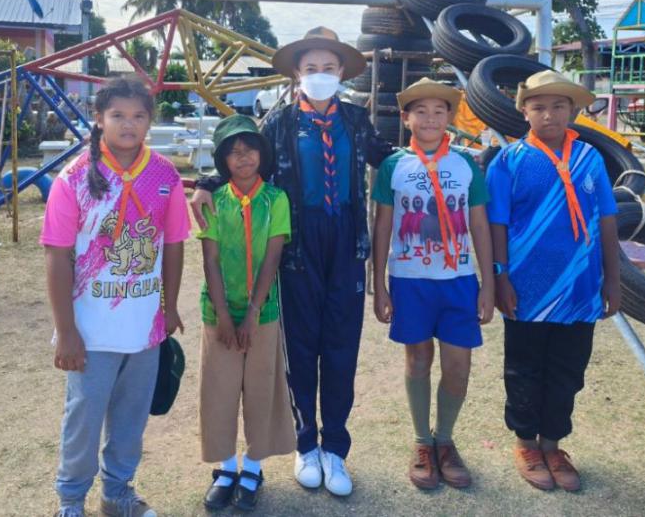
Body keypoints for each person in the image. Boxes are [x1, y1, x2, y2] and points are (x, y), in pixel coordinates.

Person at [192, 27, 395, 496]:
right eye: (311, 68)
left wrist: (438, 157)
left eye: (329, 68)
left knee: (341, 348)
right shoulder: (280, 123)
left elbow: (387, 158)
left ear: (341, 73)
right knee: (301, 348)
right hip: (299, 245)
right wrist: (205, 183)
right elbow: (244, 159)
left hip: (345, 243)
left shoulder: (355, 119)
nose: (320, 75)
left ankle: (336, 449)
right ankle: (306, 444)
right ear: (297, 74)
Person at [41, 75, 190, 517]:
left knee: (131, 418)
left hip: (143, 329)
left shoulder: (165, 175)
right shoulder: (73, 178)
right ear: (99, 119)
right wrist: (67, 331)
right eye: (118, 115)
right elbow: (56, 255)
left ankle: (118, 493)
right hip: (91, 332)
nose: (129, 124)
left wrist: (168, 307)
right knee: (84, 419)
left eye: (139, 116)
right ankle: (71, 500)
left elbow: (175, 243)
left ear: (150, 121)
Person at [485, 70, 621, 492]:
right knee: (524, 368)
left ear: (573, 111)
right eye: (539, 107)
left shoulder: (590, 158)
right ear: (524, 112)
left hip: (580, 287)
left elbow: (607, 219)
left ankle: (553, 445)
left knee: (568, 369)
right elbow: (496, 224)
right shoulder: (507, 161)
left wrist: (613, 280)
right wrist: (500, 277)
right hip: (528, 288)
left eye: (559, 106)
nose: (549, 115)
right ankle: (527, 444)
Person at [371, 78, 495, 490]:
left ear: (449, 118)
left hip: (459, 281)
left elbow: (479, 224)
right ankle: (423, 442)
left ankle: (446, 439)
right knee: (418, 360)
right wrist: (379, 284)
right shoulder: (393, 166)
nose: (430, 119)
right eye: (420, 111)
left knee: (458, 366)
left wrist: (488, 284)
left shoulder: (466, 164)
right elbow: (382, 225)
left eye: (439, 111)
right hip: (410, 282)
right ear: (405, 118)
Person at [197, 114, 296, 511]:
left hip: (263, 311)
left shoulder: (276, 199)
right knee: (219, 390)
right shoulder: (213, 201)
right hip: (217, 311)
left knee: (261, 388)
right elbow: (210, 259)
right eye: (233, 152)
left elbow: (273, 257)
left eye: (250, 149)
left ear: (261, 154)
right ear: (223, 160)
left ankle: (253, 466)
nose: (243, 158)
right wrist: (224, 314)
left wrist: (254, 311)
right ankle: (225, 468)